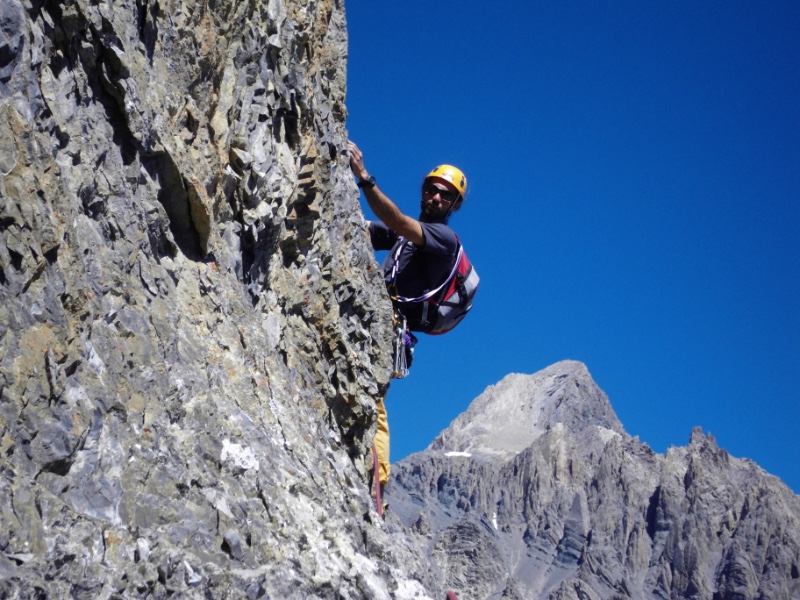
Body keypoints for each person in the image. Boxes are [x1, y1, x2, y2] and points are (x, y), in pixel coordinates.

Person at [348, 140, 468, 496]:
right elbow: (368, 229)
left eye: (446, 195)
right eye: (432, 189)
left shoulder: (443, 238)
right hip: (380, 321)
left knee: (374, 404)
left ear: (455, 205)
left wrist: (364, 177)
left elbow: (396, 221)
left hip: (390, 328)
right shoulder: (407, 238)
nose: (436, 198)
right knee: (371, 398)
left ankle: (378, 487)